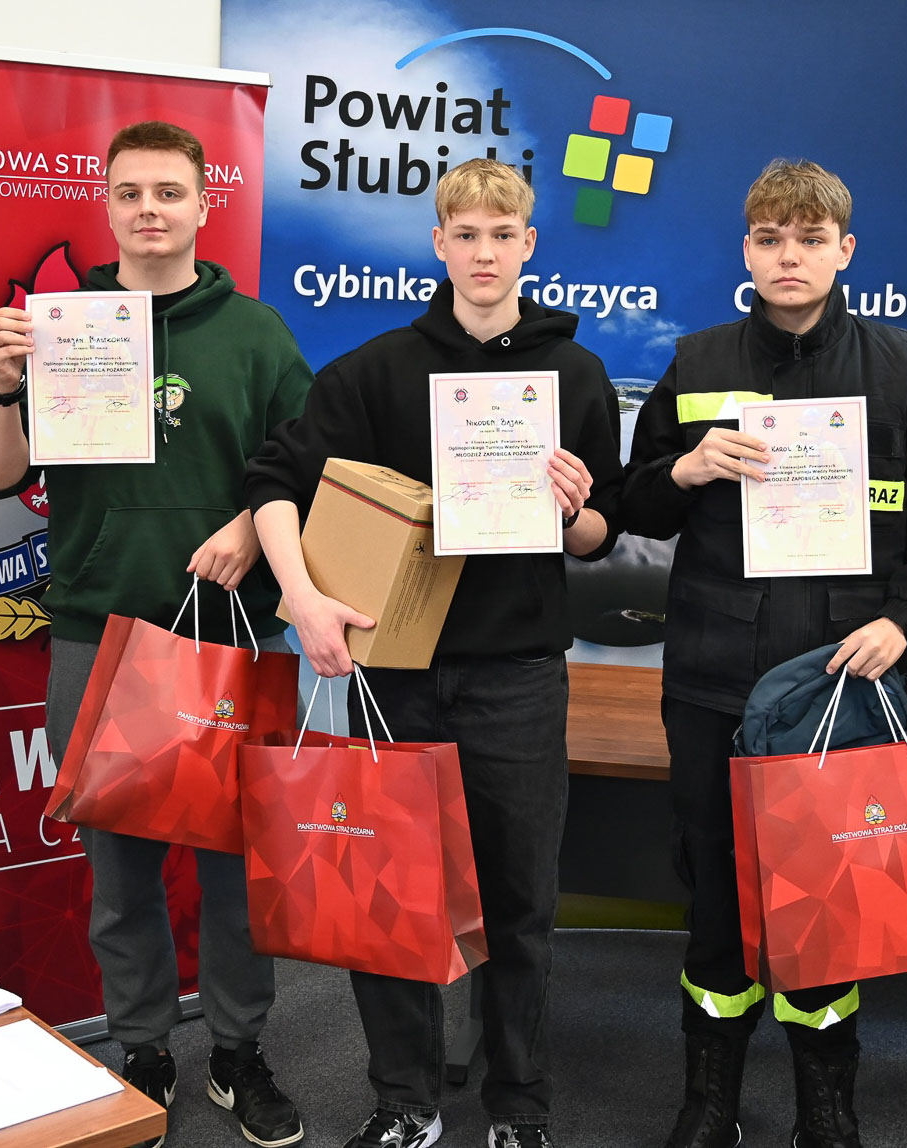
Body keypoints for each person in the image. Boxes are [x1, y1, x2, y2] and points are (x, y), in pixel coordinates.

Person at [245, 157, 621, 1148]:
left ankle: (519, 1109)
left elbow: (600, 537)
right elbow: (275, 481)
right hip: (394, 681)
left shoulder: (574, 377)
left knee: (519, 904)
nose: (484, 252)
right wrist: (302, 600)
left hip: (519, 677)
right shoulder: (376, 370)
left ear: (528, 244)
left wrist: (574, 510)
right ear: (439, 244)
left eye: (502, 235)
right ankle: (405, 1103)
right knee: (391, 898)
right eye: (465, 234)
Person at [622, 159, 907, 1148]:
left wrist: (902, 621)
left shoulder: (901, 369)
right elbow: (630, 505)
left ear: (844, 250)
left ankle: (827, 1107)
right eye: (770, 239)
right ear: (746, 251)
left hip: (843, 685)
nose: (790, 256)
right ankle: (709, 1101)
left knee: (833, 897)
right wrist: (685, 468)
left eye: (811, 239)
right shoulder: (696, 363)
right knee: (715, 893)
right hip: (712, 682)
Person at [0, 121, 313, 1148]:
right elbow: (0, 474)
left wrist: (249, 526)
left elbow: (308, 470)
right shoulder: (62, 326)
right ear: (109, 206)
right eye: (130, 193)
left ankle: (239, 1052)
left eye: (170, 191)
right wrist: (0, 386)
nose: (150, 209)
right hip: (99, 628)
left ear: (204, 204)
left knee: (236, 871)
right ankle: (144, 1049)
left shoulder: (255, 334)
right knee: (120, 875)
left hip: (230, 636)